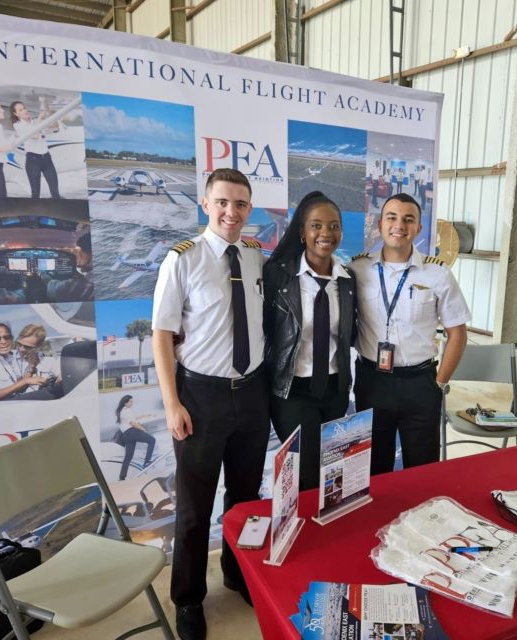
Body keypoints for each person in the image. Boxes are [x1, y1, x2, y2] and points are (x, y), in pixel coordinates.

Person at [152, 168, 269, 640]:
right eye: (222, 202)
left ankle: (238, 575)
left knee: (246, 499)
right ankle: (187, 599)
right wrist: (171, 404)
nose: (231, 212)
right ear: (205, 204)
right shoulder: (183, 259)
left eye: (240, 204)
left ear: (249, 208)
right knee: (194, 509)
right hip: (200, 397)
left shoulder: (255, 255)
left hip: (252, 394)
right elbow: (162, 335)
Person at [349, 193, 470, 475]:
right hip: (372, 382)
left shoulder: (437, 274)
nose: (399, 225)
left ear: (418, 228)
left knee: (422, 470)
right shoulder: (358, 269)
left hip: (420, 384)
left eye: (408, 219)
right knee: (373, 470)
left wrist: (438, 385)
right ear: (380, 224)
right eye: (391, 217)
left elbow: (457, 334)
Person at [263, 191, 356, 490]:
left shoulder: (348, 280)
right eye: (316, 225)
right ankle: (303, 519)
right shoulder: (278, 276)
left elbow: (350, 334)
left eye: (334, 226)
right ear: (302, 233)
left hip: (335, 390)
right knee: (307, 475)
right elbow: (263, 329)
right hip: (293, 390)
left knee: (332, 473)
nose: (326, 233)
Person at [10, 100, 61, 199]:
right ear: (16, 114)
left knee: (55, 193)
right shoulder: (18, 125)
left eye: (24, 108)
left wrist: (48, 111)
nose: (24, 111)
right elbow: (35, 135)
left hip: (47, 158)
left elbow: (55, 126)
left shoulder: (35, 122)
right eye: (20, 110)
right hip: (33, 160)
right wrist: (40, 120)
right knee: (35, 194)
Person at [0, 322, 47, 401]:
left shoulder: (10, 357)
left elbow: (18, 387)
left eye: (7, 337)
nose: (3, 342)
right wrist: (25, 381)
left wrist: (31, 369)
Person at [115, 394, 156, 481]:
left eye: (132, 402)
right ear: (125, 403)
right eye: (130, 402)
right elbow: (133, 423)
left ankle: (122, 477)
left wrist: (146, 415)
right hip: (132, 432)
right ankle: (147, 462)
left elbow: (134, 418)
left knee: (128, 456)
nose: (132, 403)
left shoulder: (122, 411)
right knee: (152, 440)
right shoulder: (126, 411)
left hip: (126, 435)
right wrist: (143, 429)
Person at [14, 324, 62, 397]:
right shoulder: (9, 360)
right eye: (19, 344)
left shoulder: (49, 360)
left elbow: (61, 376)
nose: (21, 349)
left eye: (27, 347)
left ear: (38, 346)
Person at [45, 231, 95, 301]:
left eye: (80, 254)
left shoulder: (85, 283)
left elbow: (56, 291)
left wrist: (44, 275)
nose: (76, 259)